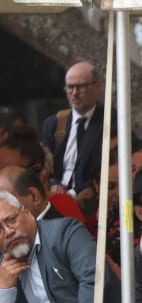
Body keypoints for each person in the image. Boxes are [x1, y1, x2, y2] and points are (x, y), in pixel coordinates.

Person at [40, 62, 106, 201]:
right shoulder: (54, 123)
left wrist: (79, 193)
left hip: (94, 201)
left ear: (97, 87)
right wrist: (54, 184)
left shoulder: (112, 121)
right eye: (70, 87)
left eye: (81, 87)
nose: (74, 93)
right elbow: (44, 167)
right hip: (57, 200)